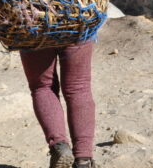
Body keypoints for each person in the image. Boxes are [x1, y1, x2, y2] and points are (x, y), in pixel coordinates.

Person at [19, 40, 97, 168]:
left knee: (42, 87)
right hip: (76, 25)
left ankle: (59, 145)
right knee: (79, 87)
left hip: (33, 29)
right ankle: (84, 160)